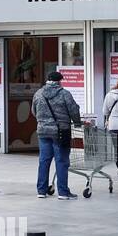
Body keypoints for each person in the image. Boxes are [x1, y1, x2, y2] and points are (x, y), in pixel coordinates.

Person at [32, 71, 81, 201]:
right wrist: (77, 123)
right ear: (59, 81)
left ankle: (41, 191)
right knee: (62, 161)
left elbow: (34, 111)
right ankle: (63, 192)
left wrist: (43, 122)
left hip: (43, 132)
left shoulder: (38, 94)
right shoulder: (65, 94)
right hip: (60, 132)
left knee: (44, 161)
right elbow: (73, 110)